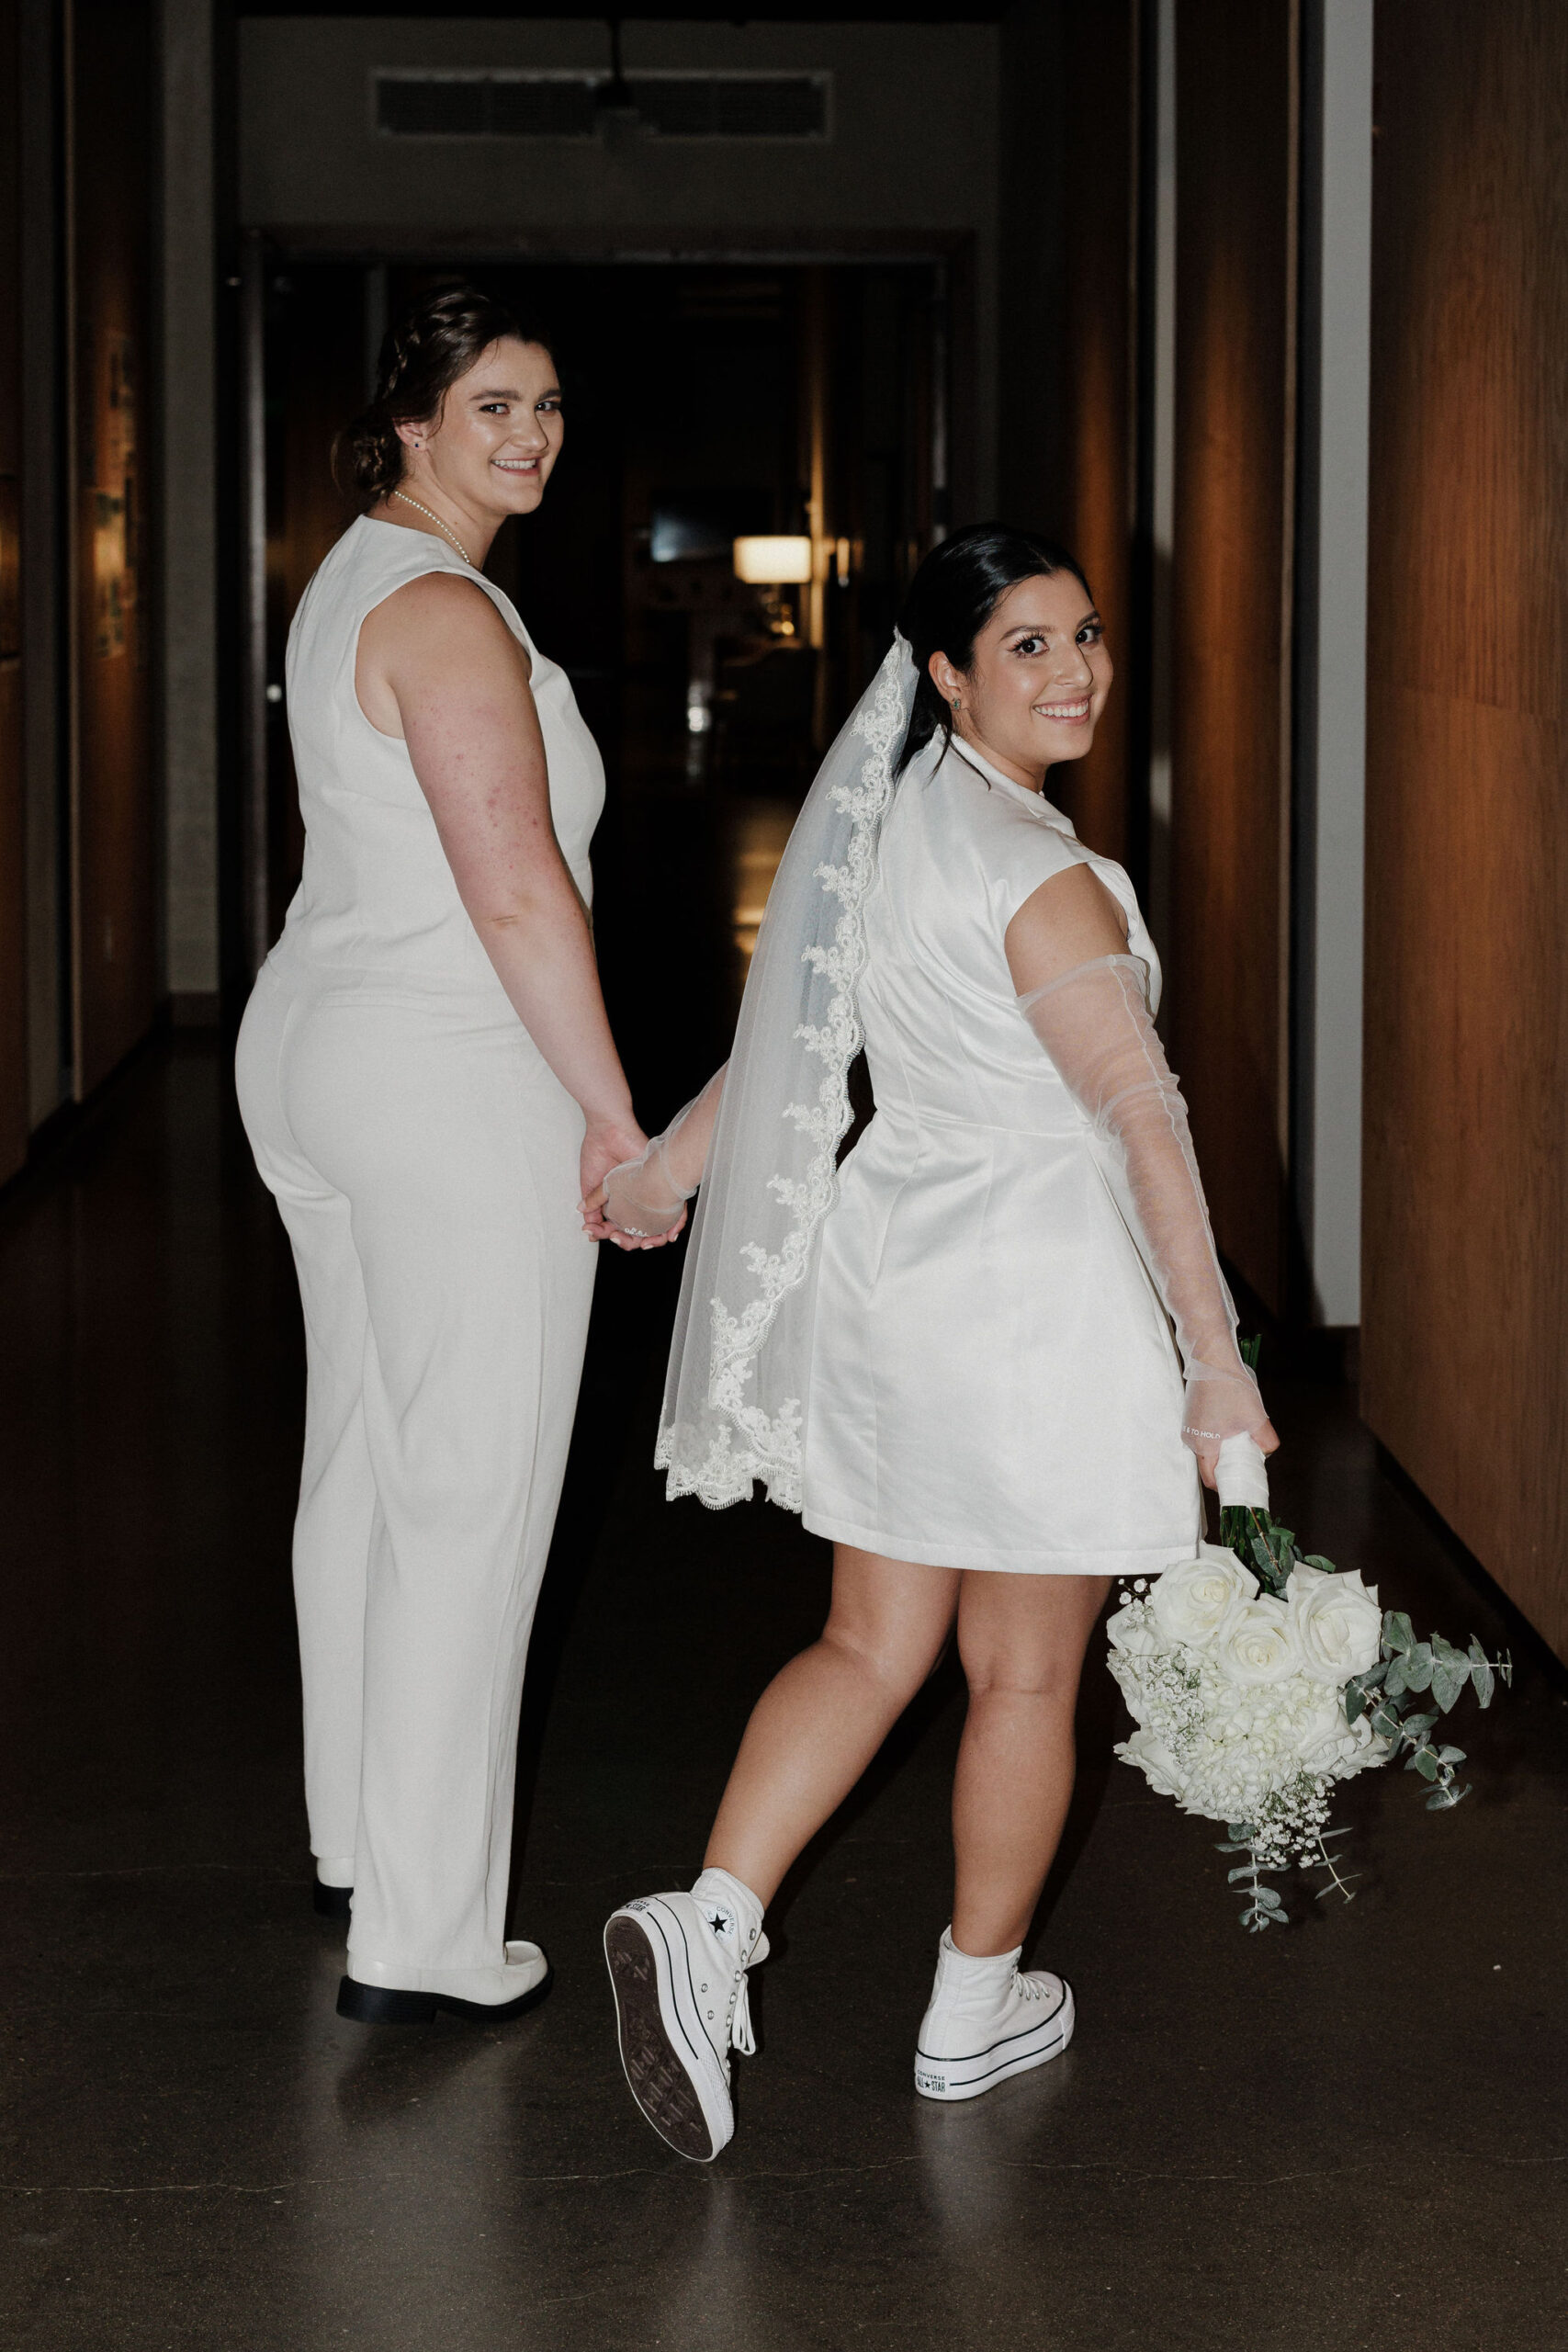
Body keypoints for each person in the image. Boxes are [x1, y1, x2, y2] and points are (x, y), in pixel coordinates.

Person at [585, 525, 1279, 2157]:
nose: (1076, 671)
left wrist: (655, 1178)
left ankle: (710, 1922)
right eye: (1026, 646)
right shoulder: (1044, 875)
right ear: (948, 675)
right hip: (1032, 1295)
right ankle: (975, 2007)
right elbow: (1138, 1120)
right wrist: (1216, 1353)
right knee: (1022, 1670)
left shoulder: (884, 833)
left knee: (868, 1646)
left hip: (893, 1281)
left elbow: (784, 1049)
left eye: (1086, 636)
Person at [236, 285, 667, 2028]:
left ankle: (356, 1835)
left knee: (364, 1455)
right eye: (493, 404)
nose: (531, 434)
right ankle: (422, 1936)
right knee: (471, 1493)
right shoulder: (447, 611)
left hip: (318, 1047)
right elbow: (514, 888)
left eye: (549, 404)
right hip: (444, 1071)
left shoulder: (352, 575)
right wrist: (615, 1116)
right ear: (411, 422)